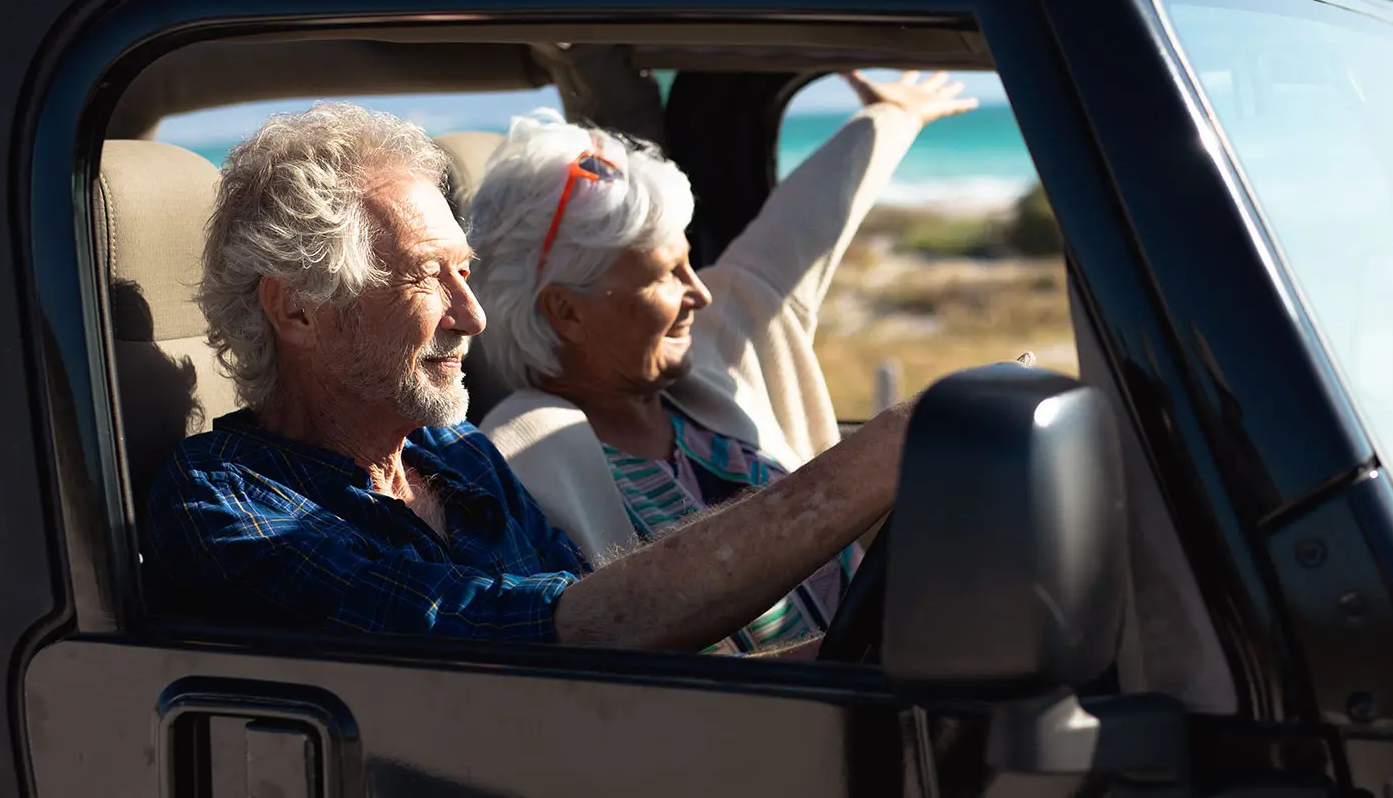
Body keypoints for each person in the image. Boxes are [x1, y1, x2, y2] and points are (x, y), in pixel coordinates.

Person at [139, 102, 917, 654]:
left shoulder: (454, 452)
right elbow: (553, 634)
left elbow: (630, 673)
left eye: (467, 272)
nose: (471, 316)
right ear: (298, 310)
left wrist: (864, 668)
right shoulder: (226, 501)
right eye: (426, 278)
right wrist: (873, 461)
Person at [464, 72, 976, 652]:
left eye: (690, 263)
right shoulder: (522, 459)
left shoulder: (711, 348)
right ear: (567, 311)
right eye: (665, 275)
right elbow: (636, 693)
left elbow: (806, 223)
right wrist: (882, 656)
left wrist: (892, 117)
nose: (699, 293)